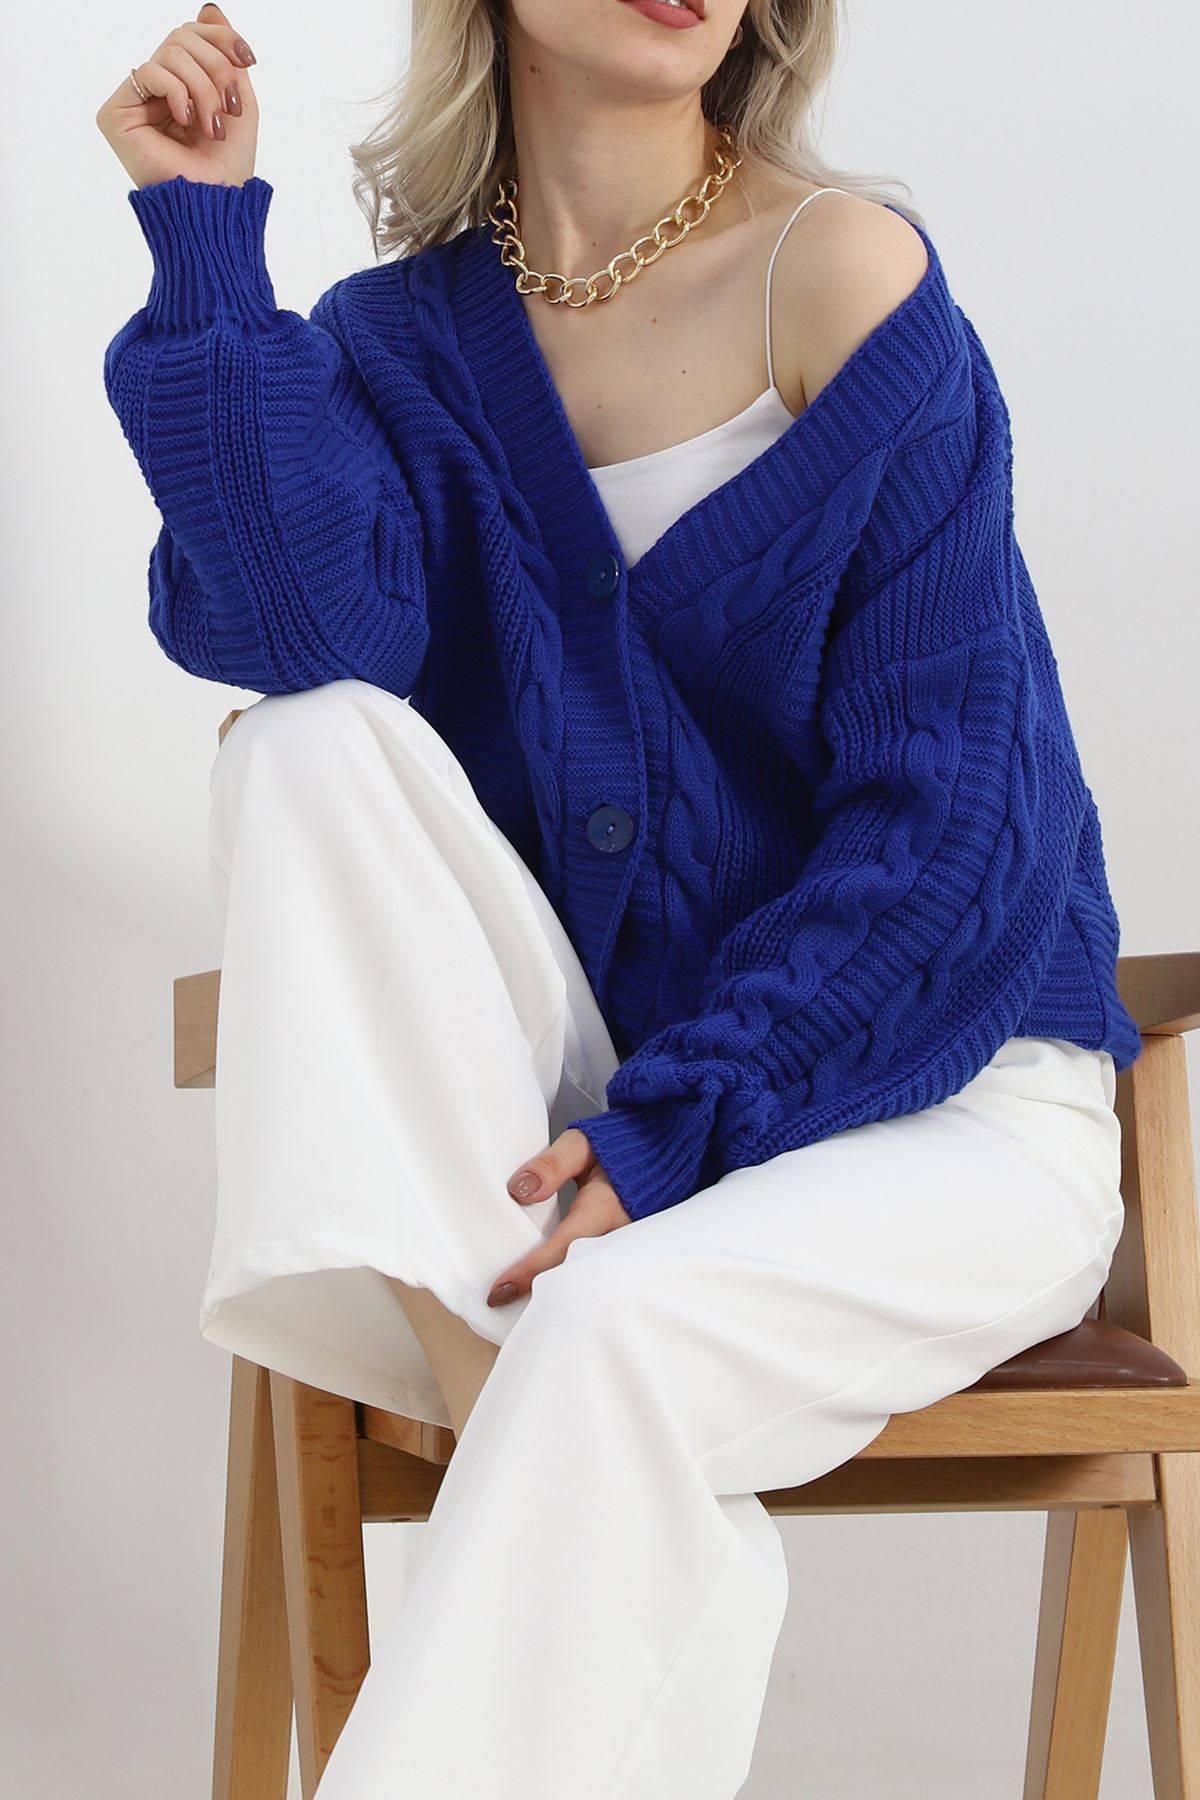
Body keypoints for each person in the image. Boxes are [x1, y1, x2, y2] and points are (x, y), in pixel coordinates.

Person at [96, 2, 1141, 1792]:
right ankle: (536, 1406)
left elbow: (954, 830)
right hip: (585, 1142)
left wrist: (683, 1129)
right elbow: (287, 626)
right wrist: (203, 241)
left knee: (603, 1338)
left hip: (943, 1107)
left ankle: (516, 1407)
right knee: (307, 744)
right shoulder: (399, 344)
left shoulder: (844, 276)